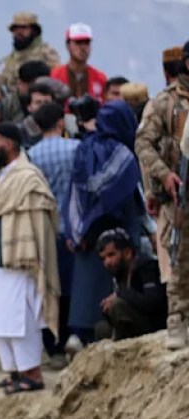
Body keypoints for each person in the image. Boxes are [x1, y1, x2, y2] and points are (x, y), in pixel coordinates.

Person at [0, 122, 59, 394]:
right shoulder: (2, 176)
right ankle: (14, 371)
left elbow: (41, 222)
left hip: (21, 258)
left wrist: (33, 255)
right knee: (0, 318)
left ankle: (33, 374)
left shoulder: (29, 177)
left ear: (10, 144)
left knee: (20, 317)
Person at [68, 101, 145, 350]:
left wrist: (77, 228)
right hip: (119, 226)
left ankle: (79, 336)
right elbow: (132, 195)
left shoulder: (85, 147)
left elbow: (78, 190)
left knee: (86, 289)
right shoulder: (122, 152)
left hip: (87, 233)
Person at [136, 39, 189, 342]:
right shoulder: (164, 103)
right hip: (178, 192)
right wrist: (163, 176)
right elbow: (143, 144)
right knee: (179, 258)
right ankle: (177, 320)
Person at [29, 101, 79, 364]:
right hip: (72, 227)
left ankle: (53, 346)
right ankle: (73, 334)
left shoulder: (32, 155)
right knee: (71, 287)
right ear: (61, 123)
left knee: (49, 288)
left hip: (45, 229)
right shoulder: (76, 148)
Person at [94, 228, 167, 340]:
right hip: (138, 324)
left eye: (111, 255)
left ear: (127, 253)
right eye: (103, 258)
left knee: (117, 306)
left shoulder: (147, 267)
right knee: (101, 329)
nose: (107, 262)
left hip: (156, 327)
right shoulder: (120, 273)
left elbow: (152, 303)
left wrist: (121, 294)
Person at [0, 12, 61, 98]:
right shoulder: (11, 58)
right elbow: (2, 82)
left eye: (24, 28)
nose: (19, 32)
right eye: (15, 28)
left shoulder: (47, 53)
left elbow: (55, 81)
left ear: (34, 31)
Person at [50, 24, 107, 104]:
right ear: (68, 46)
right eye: (78, 42)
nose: (83, 47)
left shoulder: (100, 78)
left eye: (86, 43)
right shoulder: (54, 76)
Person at [0, 59, 52, 124]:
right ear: (20, 83)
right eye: (32, 86)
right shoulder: (7, 104)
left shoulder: (53, 98)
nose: (37, 90)